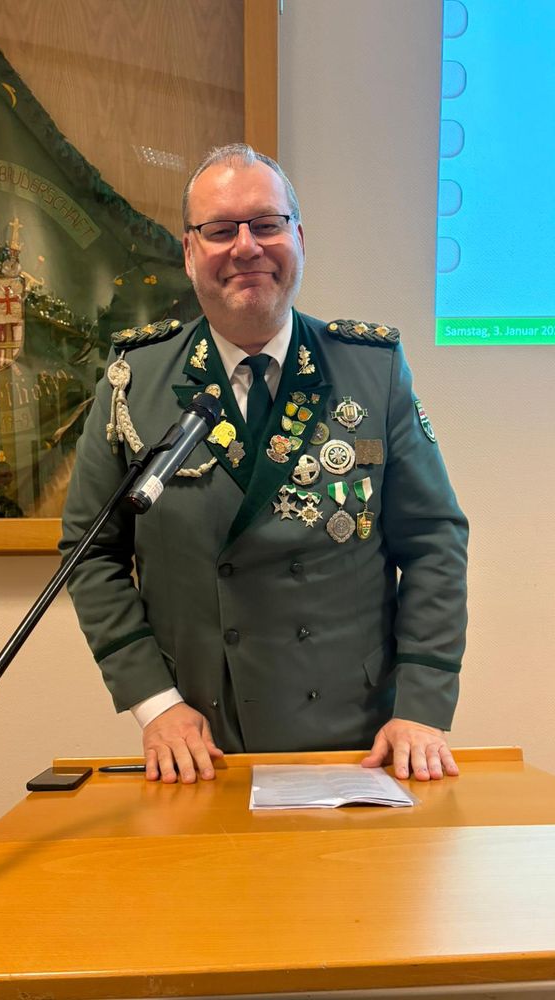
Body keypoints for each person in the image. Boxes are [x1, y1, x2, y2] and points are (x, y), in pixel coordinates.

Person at [59, 143, 468, 786]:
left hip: (357, 738)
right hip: (202, 743)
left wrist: (421, 706)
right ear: (189, 251)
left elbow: (434, 542)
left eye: (267, 224)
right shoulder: (134, 380)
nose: (246, 247)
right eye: (220, 230)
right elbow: (90, 553)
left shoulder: (371, 369)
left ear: (298, 237)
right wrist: (156, 705)